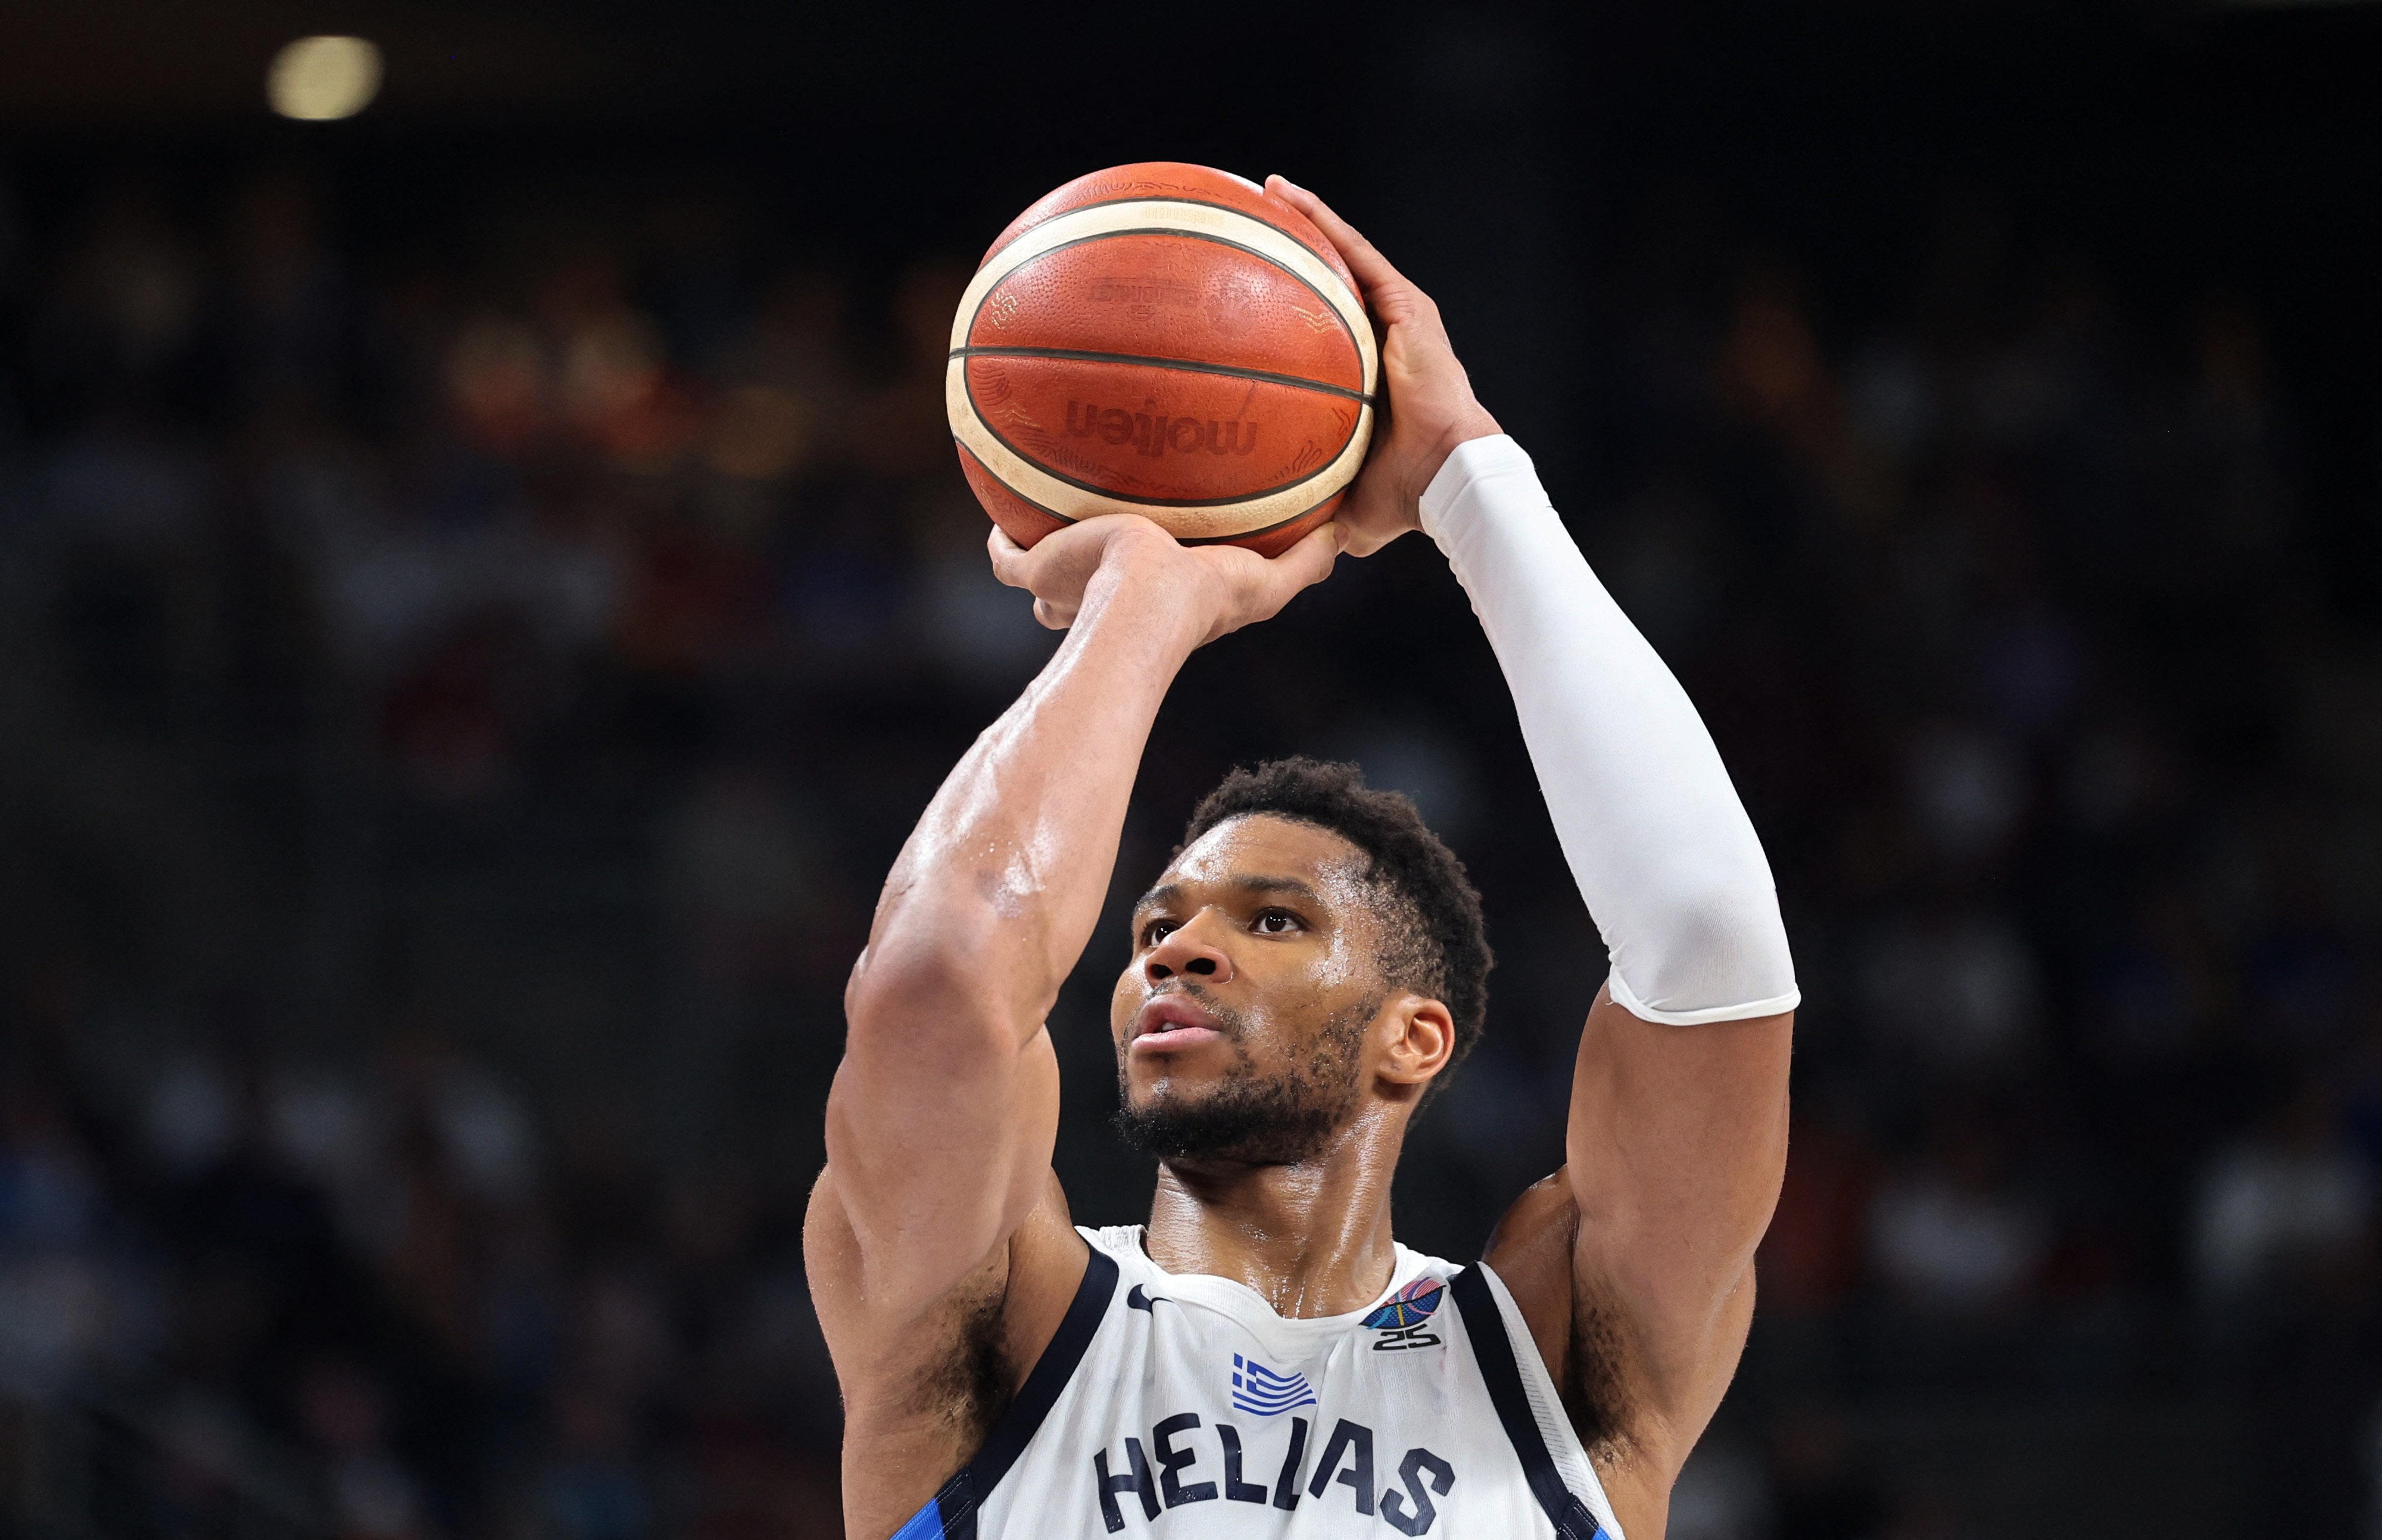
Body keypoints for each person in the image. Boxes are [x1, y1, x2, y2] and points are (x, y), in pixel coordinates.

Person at [804, 176, 1800, 1539]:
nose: (1175, 947)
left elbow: (1708, 952)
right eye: (1155, 923)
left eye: (1272, 921)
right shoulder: (999, 1320)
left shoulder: (1558, 1366)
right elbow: (930, 991)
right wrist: (1146, 602)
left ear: (1417, 1036)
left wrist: (1469, 483)